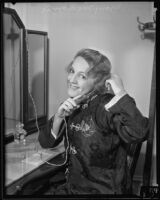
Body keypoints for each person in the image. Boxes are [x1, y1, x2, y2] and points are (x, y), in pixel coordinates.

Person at [39, 48, 149, 195]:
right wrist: (59, 117)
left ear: (97, 81)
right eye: (72, 71)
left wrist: (121, 93)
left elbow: (140, 132)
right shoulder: (71, 105)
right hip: (73, 187)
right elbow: (46, 143)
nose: (72, 80)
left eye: (82, 76)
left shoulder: (107, 106)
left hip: (104, 191)